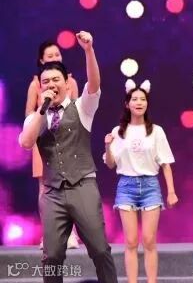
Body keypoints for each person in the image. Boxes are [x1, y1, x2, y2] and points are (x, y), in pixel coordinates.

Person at [18, 31, 118, 283]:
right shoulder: (36, 118)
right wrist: (42, 109)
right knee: (51, 256)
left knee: (99, 250)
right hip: (52, 193)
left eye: (56, 80)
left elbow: (94, 85)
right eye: (45, 81)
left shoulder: (82, 108)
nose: (51, 84)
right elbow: (26, 142)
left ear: (66, 83)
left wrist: (89, 50)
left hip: (82, 185)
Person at [103, 79, 179, 283]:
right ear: (127, 104)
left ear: (147, 103)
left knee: (149, 240)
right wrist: (108, 146)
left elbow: (166, 164)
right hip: (126, 186)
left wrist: (171, 191)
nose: (139, 102)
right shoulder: (118, 131)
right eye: (134, 99)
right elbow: (110, 164)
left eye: (142, 99)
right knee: (130, 241)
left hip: (150, 186)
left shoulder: (156, 131)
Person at [25, 40, 80, 249]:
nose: (55, 58)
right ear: (41, 60)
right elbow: (29, 114)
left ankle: (71, 234)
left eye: (57, 54)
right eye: (50, 56)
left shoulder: (70, 82)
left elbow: (78, 112)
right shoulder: (36, 84)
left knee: (71, 186)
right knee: (45, 189)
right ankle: (49, 234)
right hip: (44, 141)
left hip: (68, 141)